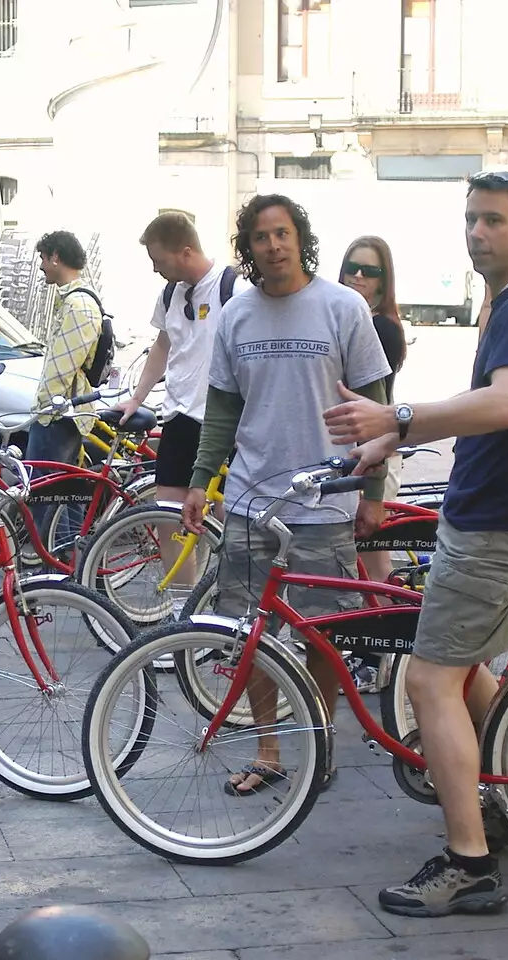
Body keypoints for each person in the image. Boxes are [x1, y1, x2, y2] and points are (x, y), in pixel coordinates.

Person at [324, 170, 508, 917]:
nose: (477, 233)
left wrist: (397, 419)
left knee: (429, 682)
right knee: (462, 672)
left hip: (500, 527)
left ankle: (470, 861)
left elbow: (506, 405)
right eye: (470, 219)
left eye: (493, 220)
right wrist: (382, 445)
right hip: (506, 514)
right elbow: (489, 412)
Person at [182, 192, 392, 797]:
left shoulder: (343, 307)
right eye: (260, 237)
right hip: (251, 500)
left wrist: (372, 493)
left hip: (326, 498)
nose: (273, 245)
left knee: (324, 635)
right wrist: (201, 481)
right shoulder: (236, 315)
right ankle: (270, 749)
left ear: (300, 238)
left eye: (282, 233)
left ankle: (319, 744)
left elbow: (376, 409)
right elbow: (221, 410)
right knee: (249, 631)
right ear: (247, 248)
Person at [116, 211, 247, 511]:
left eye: (159, 260)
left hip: (222, 422)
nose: (153, 268)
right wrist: (136, 399)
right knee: (169, 516)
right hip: (178, 417)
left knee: (231, 520)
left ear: (186, 253)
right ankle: (173, 563)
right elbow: (162, 345)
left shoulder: (234, 289)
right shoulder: (169, 293)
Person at [338, 235, 407, 587]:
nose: (359, 276)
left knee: (374, 567)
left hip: (374, 453)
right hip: (363, 450)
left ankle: (390, 635)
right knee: (366, 564)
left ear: (384, 279)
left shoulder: (379, 327)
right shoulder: (351, 317)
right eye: (352, 268)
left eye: (370, 270)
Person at [30, 230, 104, 547]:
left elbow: (62, 366)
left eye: (44, 259)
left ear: (56, 257)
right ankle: (71, 561)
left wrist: (41, 411)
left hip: (60, 415)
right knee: (66, 494)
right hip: (66, 413)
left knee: (43, 495)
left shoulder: (78, 305)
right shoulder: (72, 300)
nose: (42, 267)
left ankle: (53, 563)